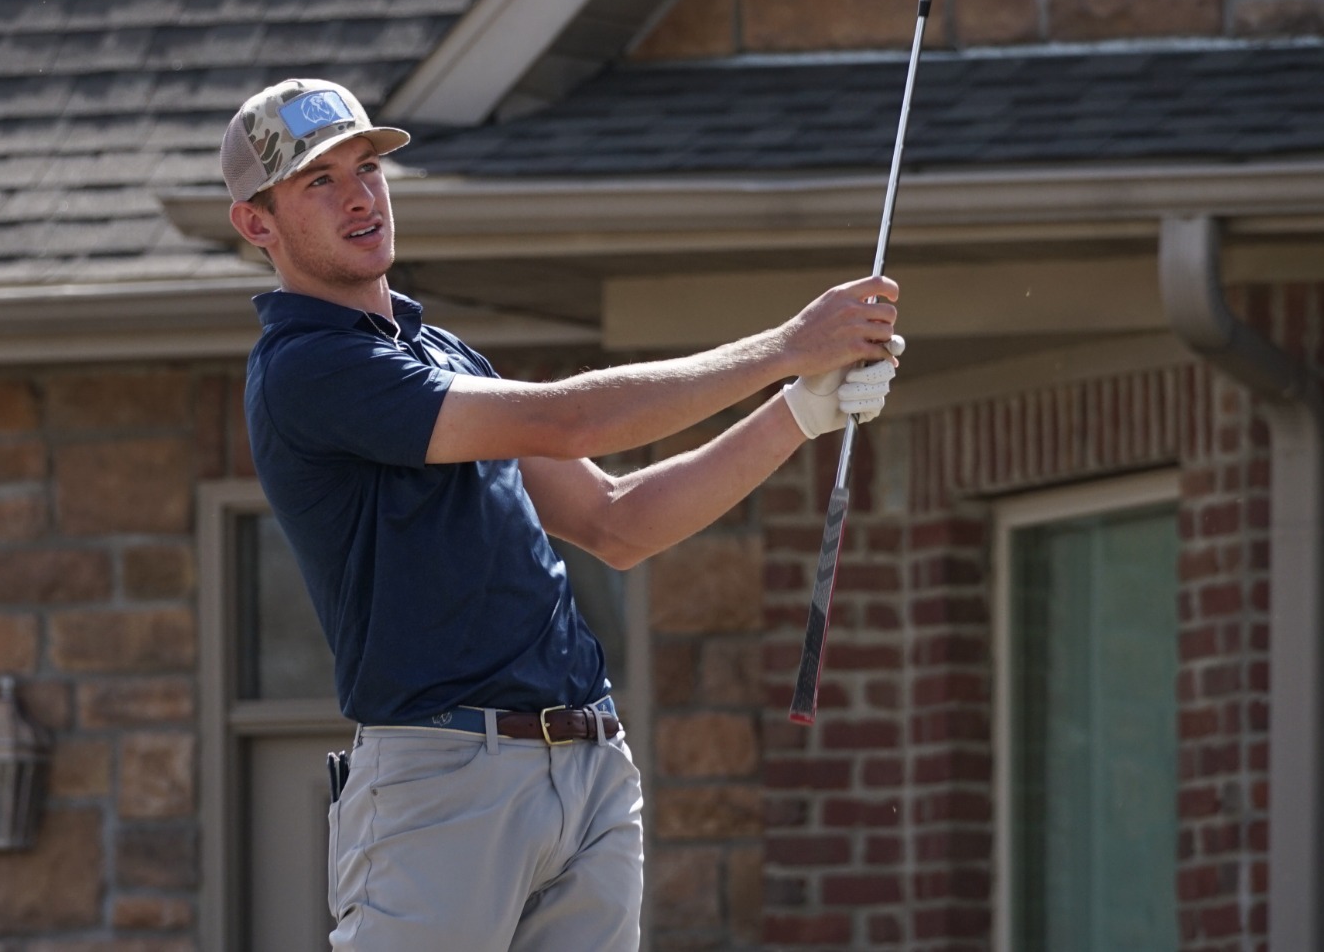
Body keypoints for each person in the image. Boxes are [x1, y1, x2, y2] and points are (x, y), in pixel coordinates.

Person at [221, 78, 902, 951]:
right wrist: (785, 348)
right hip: (443, 782)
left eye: (367, 167)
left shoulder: (440, 353)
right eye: (319, 180)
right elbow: (566, 416)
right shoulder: (306, 368)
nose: (360, 195)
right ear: (256, 223)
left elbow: (620, 520)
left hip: (588, 767)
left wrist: (803, 409)